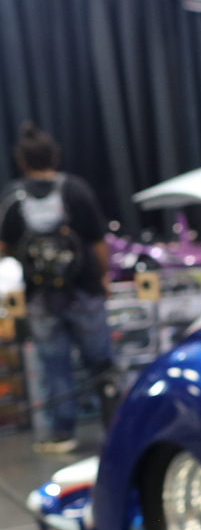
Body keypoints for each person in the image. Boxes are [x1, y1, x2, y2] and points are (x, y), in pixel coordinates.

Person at [0, 122, 114, 455]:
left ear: (22, 162)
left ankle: (63, 433)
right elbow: (98, 242)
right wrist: (103, 277)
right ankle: (115, 426)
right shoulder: (76, 190)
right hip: (85, 292)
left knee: (56, 368)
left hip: (41, 299)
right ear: (55, 155)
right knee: (102, 363)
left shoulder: (12, 197)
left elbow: (4, 246)